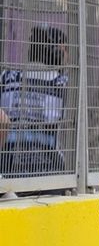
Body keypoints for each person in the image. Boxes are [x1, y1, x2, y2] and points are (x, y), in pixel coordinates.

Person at [0, 24, 69, 177]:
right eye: (64, 50)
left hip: (7, 163)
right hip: (49, 164)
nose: (66, 57)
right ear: (55, 51)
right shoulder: (62, 83)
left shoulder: (7, 76)